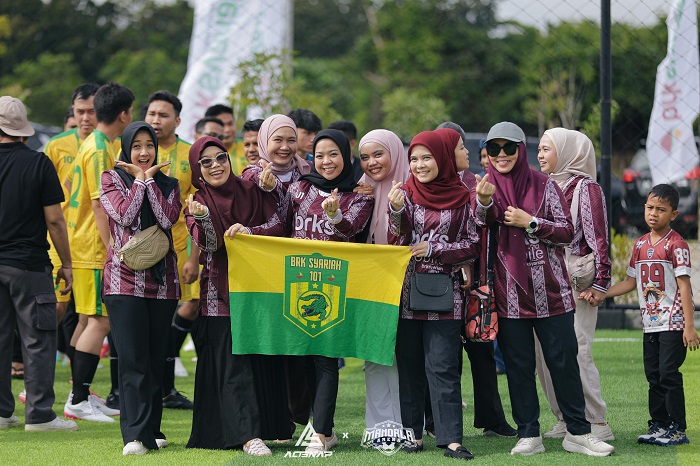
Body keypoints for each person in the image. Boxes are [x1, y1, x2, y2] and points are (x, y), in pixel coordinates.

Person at [231, 129, 374, 453]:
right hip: (297, 286)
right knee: (306, 358)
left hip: (335, 288)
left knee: (326, 359)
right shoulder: (299, 189)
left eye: (333, 154)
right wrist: (249, 231)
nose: (326, 161)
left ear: (346, 156)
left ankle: (320, 433)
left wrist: (335, 214)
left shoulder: (360, 196)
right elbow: (279, 225)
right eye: (319, 155)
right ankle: (325, 429)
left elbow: (351, 230)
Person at [483, 121, 614, 457]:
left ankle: (578, 432)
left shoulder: (545, 185)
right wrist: (482, 204)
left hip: (552, 291)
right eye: (494, 148)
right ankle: (529, 434)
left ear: (519, 149)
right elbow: (476, 232)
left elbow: (566, 232)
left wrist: (530, 222)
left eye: (508, 147)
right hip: (509, 294)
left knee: (564, 362)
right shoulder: (484, 189)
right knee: (519, 367)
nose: (501, 154)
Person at [388, 130, 487, 460]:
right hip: (406, 295)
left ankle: (451, 439)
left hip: (447, 295)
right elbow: (397, 237)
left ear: (442, 159)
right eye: (414, 159)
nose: (419, 165)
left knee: (443, 367)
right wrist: (396, 211)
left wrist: (435, 249)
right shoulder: (404, 194)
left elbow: (473, 244)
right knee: (410, 368)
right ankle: (412, 436)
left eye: (427, 158)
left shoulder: (463, 197)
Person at [184, 136, 279, 456]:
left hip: (259, 288)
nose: (215, 166)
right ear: (196, 168)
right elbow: (211, 245)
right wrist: (202, 219)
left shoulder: (253, 190)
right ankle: (248, 435)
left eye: (221, 158)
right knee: (231, 362)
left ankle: (267, 428)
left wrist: (250, 231)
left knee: (259, 359)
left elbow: (279, 225)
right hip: (220, 292)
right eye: (206, 162)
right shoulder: (196, 203)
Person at [100, 122, 181, 455]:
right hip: (123, 281)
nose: (144, 152)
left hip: (162, 284)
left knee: (155, 359)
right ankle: (135, 436)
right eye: (137, 146)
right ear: (126, 149)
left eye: (150, 145)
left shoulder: (170, 184)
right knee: (133, 359)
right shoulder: (110, 179)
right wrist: (139, 181)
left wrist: (149, 182)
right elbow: (125, 215)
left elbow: (166, 219)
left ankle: (152, 429)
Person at [0, 96, 78, 432]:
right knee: (38, 339)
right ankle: (40, 414)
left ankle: (2, 413)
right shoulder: (38, 163)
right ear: (23, 130)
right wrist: (67, 263)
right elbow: (55, 220)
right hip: (28, 265)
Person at [434, 123, 516, 438]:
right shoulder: (424, 185)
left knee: (482, 351)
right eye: (460, 147)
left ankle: (492, 419)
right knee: (444, 357)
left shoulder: (475, 183)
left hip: (477, 283)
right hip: (439, 284)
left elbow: (485, 223)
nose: (468, 152)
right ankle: (437, 422)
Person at [603, 184, 699, 446]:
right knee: (654, 375)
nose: (653, 213)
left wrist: (689, 326)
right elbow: (629, 282)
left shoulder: (676, 244)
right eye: (650, 207)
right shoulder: (640, 244)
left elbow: (684, 286)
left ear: (674, 214)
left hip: (673, 322)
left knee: (668, 373)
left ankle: (677, 428)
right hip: (651, 323)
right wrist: (603, 293)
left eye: (661, 209)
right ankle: (659, 424)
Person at [535, 128, 614, 441]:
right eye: (539, 149)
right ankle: (566, 418)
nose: (540, 154)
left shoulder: (586, 188)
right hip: (546, 281)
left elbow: (598, 238)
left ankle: (596, 422)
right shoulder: (543, 186)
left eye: (547, 149)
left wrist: (601, 284)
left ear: (568, 151)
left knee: (578, 349)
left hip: (578, 283)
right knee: (544, 353)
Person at [64, 82, 134, 423]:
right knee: (100, 321)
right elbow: (98, 203)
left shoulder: (95, 143)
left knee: (86, 320)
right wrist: (113, 247)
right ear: (123, 115)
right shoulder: (100, 149)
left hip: (83, 244)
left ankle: (78, 394)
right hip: (93, 247)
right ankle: (78, 399)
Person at [144, 90, 195, 411]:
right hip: (141, 253)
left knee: (177, 315)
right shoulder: (135, 150)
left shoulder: (190, 154)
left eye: (163, 115)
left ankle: (166, 389)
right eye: (151, 114)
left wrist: (194, 256)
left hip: (179, 250)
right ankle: (130, 391)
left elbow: (199, 208)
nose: (155, 120)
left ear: (177, 120)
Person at [357, 129, 409, 430]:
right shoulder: (361, 190)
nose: (372, 163)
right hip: (371, 285)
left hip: (406, 284)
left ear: (395, 153)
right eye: (365, 157)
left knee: (405, 356)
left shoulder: (412, 188)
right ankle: (379, 426)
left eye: (378, 154)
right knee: (374, 356)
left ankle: (409, 422)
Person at [241, 114, 311, 195]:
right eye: (278, 140)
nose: (285, 147)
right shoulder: (251, 177)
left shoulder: (307, 169)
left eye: (291, 140)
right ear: (264, 142)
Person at [204, 104, 246, 174]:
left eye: (230, 124)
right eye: (222, 125)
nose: (227, 130)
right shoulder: (202, 154)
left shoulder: (249, 149)